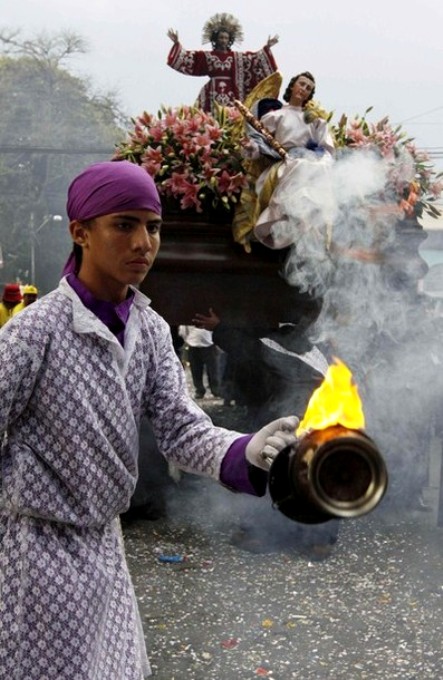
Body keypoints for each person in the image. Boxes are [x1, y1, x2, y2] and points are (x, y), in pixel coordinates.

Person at [0, 159, 301, 680]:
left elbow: (181, 428)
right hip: (34, 553)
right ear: (81, 232)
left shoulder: (152, 330)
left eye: (153, 226)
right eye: (124, 224)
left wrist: (245, 450)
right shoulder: (34, 334)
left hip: (105, 549)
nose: (144, 242)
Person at [193, 306, 340, 558]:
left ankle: (259, 532)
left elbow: (246, 349)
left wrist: (219, 327)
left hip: (285, 417)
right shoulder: (319, 348)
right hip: (319, 418)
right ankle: (318, 540)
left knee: (265, 467)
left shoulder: (273, 344)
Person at [238, 72, 336, 264]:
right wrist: (251, 147)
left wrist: (319, 160)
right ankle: (296, 220)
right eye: (301, 84)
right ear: (292, 86)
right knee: (298, 166)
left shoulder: (315, 121)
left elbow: (328, 150)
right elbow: (260, 142)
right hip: (285, 164)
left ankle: (311, 226)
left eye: (308, 88)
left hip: (312, 164)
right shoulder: (276, 116)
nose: (304, 89)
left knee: (314, 169)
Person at [167, 13, 279, 112]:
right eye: (221, 37)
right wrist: (177, 43)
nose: (223, 40)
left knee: (232, 115)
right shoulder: (207, 56)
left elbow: (254, 60)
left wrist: (267, 47)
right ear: (215, 39)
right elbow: (191, 59)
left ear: (229, 40)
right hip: (212, 92)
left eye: (226, 38)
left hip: (232, 92)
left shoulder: (237, 57)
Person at [178, 324, 221, 399]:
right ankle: (199, 390)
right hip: (193, 345)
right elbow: (183, 330)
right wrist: (188, 339)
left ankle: (215, 390)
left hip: (209, 344)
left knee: (213, 370)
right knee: (195, 370)